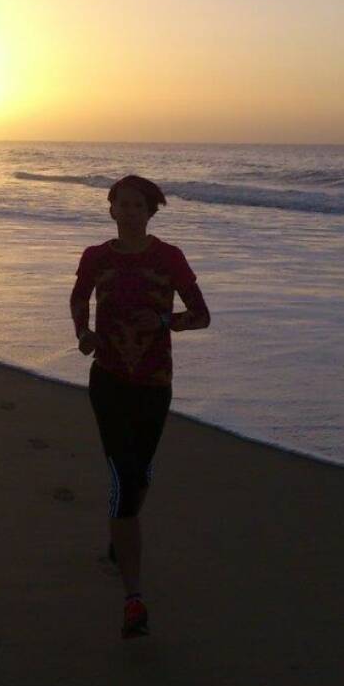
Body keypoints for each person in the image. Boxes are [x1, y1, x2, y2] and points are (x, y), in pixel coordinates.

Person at [69, 174, 211, 638]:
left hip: (154, 382)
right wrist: (84, 334)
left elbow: (202, 315)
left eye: (139, 206)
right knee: (123, 480)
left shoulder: (169, 258)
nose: (130, 213)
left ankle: (121, 532)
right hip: (108, 380)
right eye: (122, 205)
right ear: (110, 210)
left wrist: (167, 320)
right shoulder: (96, 258)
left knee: (140, 474)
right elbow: (78, 298)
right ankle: (133, 598)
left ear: (150, 213)